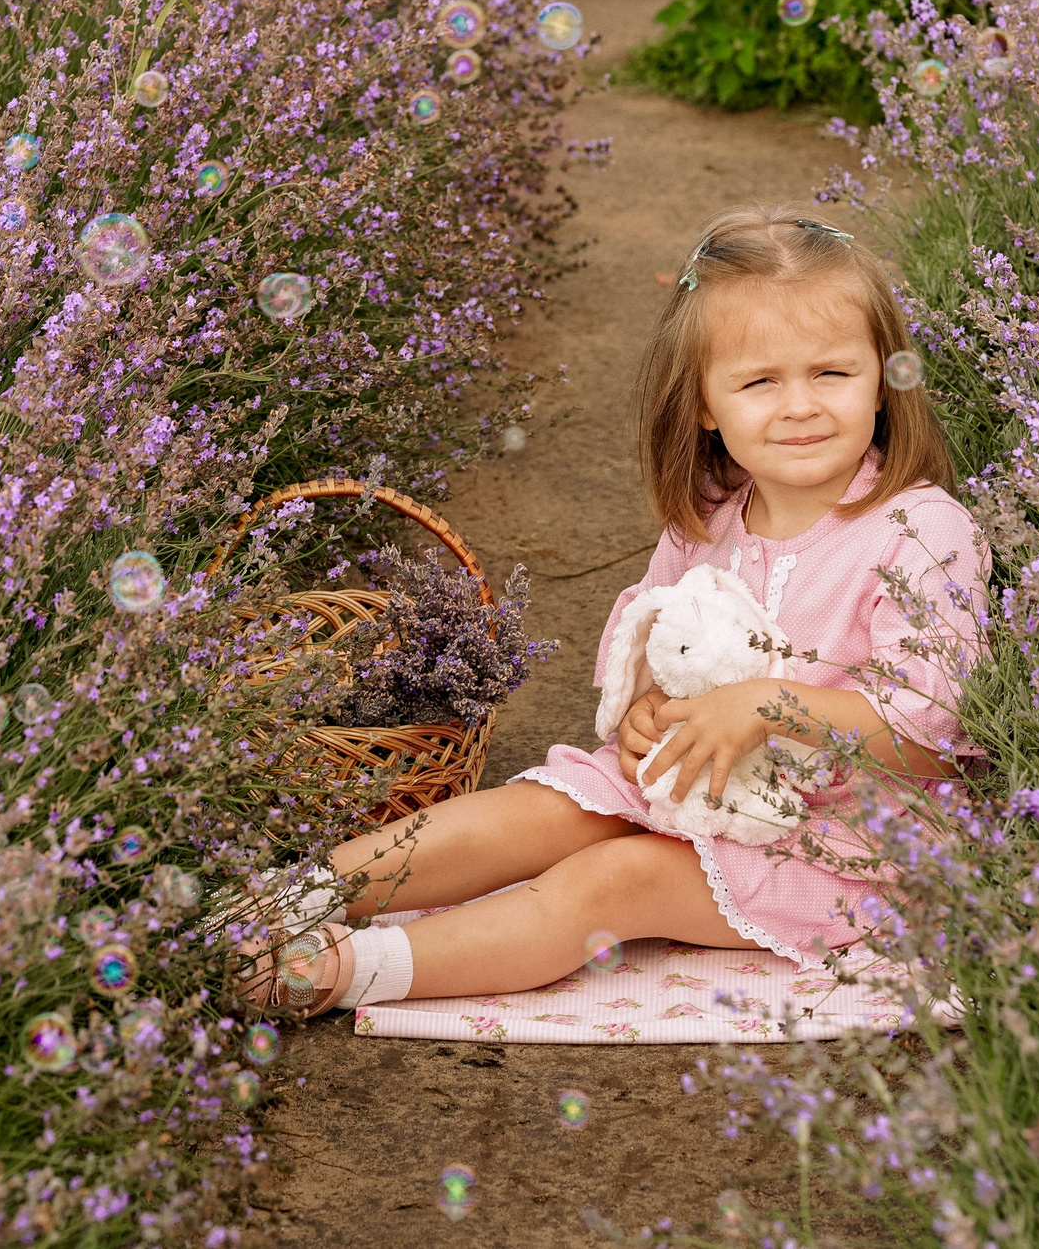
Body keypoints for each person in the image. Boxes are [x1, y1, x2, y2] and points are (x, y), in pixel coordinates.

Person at [238, 207, 990, 1015]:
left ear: (884, 378)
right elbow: (651, 634)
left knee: (613, 878)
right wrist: (640, 708)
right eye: (759, 381)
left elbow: (929, 729)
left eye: (832, 373)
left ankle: (339, 973)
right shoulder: (712, 511)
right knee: (541, 810)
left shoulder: (919, 528)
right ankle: (287, 901)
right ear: (704, 403)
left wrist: (767, 707)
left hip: (848, 846)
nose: (800, 405)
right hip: (698, 788)